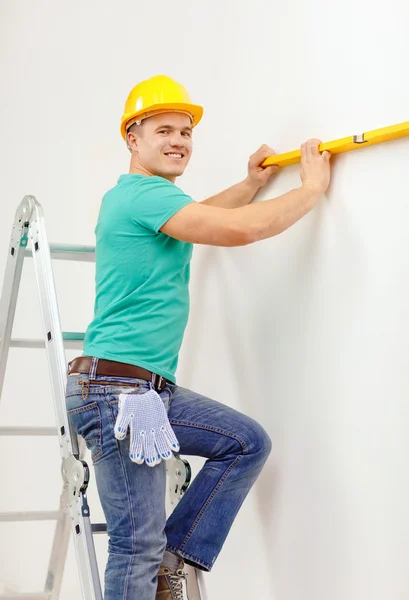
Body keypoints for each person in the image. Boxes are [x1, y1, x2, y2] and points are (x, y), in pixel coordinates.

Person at [65, 74, 331, 600]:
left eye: (186, 132)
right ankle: (157, 562)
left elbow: (208, 212)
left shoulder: (155, 203)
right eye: (164, 129)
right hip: (116, 391)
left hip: (145, 391)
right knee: (133, 544)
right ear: (132, 139)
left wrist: (251, 185)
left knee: (246, 442)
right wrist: (310, 190)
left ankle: (174, 559)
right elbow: (237, 231)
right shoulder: (138, 196)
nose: (179, 141)